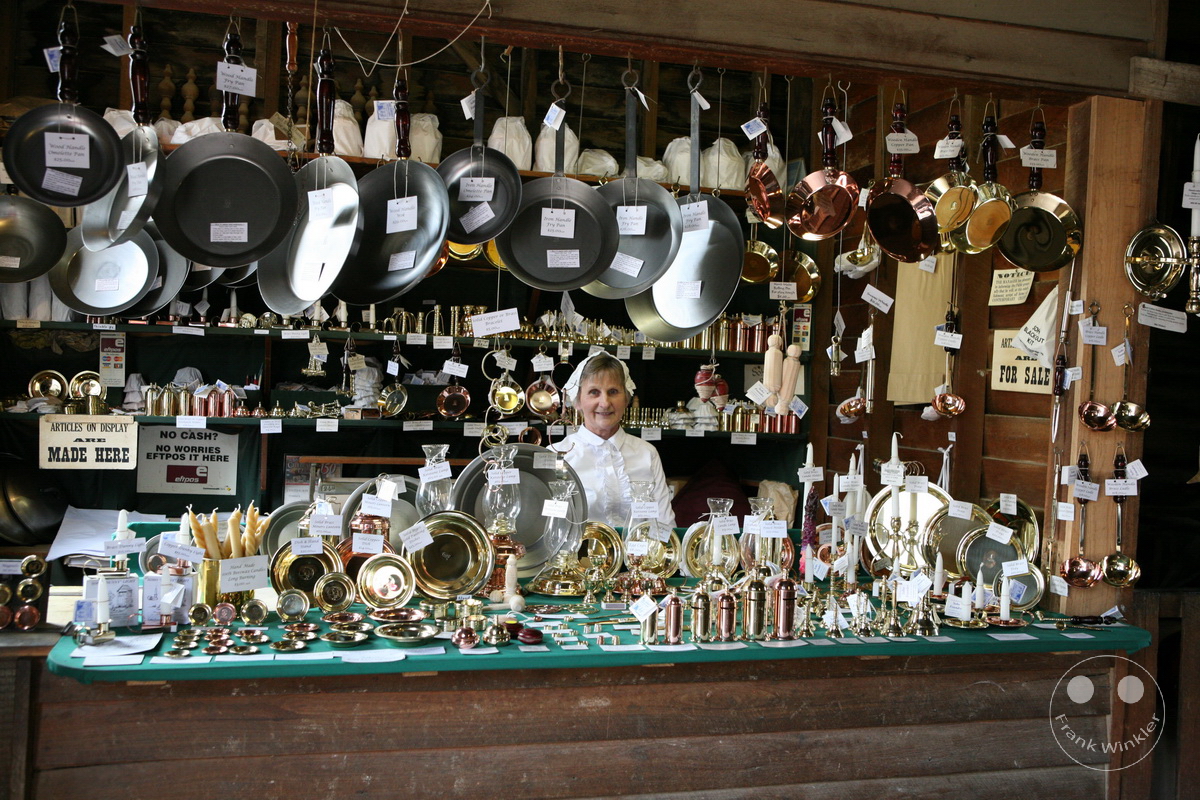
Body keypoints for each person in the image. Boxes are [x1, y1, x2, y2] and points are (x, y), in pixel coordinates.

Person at [552, 352, 676, 530]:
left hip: (639, 556)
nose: (605, 402)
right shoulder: (557, 455)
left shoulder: (647, 453)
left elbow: (665, 524)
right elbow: (548, 527)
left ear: (626, 398)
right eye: (594, 392)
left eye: (613, 392)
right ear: (578, 400)